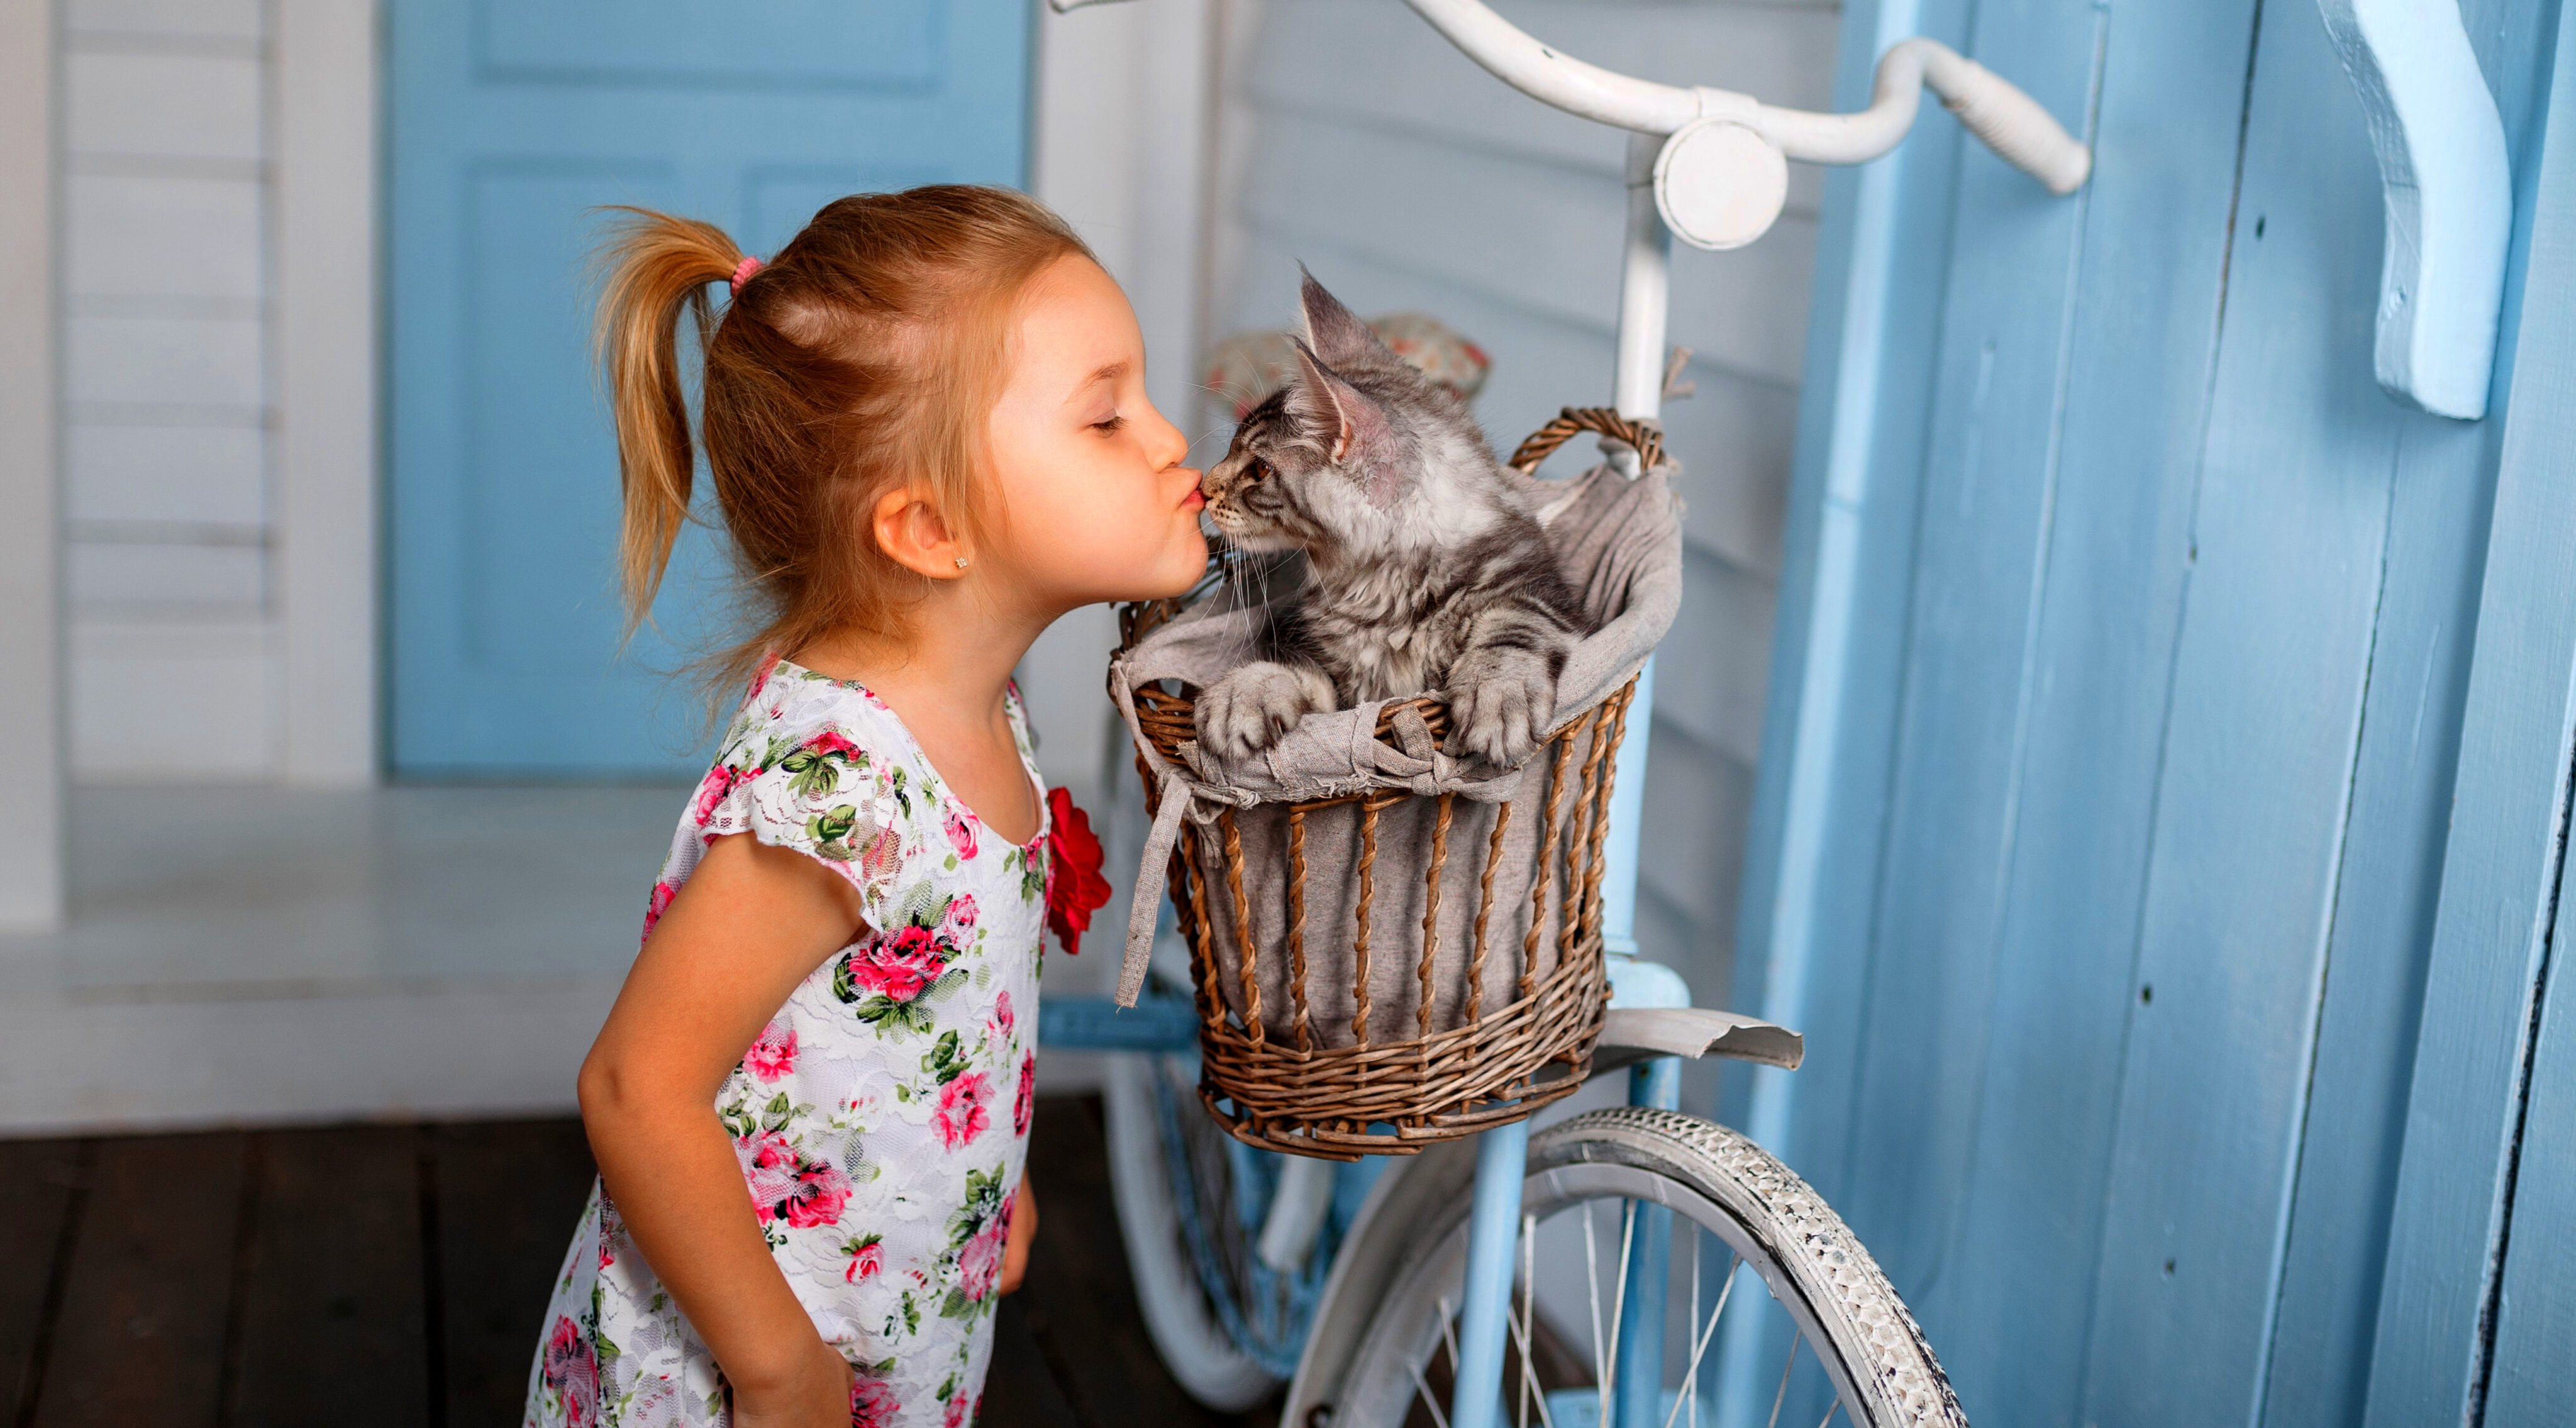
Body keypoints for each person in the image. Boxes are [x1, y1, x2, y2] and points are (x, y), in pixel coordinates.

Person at [523, 185, 1208, 1428]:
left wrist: (993, 1173)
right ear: (929, 526)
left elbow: (942, 1004)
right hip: (735, 1377)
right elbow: (637, 1081)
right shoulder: (839, 781)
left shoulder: (984, 707)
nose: (1169, 440)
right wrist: (779, 1365)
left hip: (891, 1338)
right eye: (1106, 416)